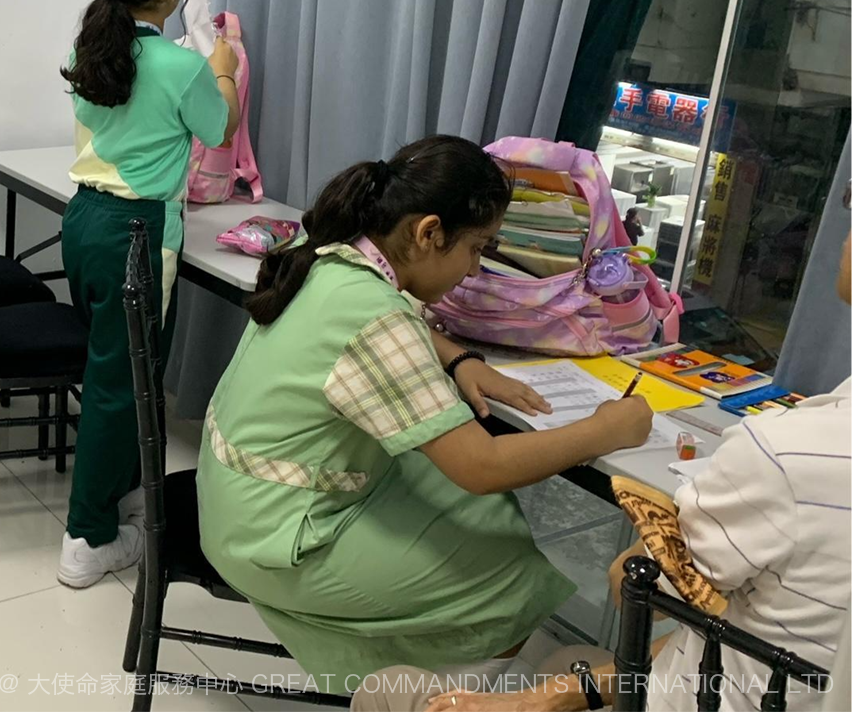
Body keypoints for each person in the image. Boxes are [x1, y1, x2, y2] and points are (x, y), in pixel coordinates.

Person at [361, 190, 852, 712]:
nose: (476, 269)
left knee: (390, 689)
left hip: (690, 692)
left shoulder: (786, 453)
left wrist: (614, 450)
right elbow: (739, 642)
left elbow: (633, 590)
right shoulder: (799, 448)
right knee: (567, 659)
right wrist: (546, 699)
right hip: (724, 679)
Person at [196, 135, 657, 683]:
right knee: (508, 578)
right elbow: (482, 467)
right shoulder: (374, 315)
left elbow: (378, 328)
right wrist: (604, 430)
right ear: (428, 233)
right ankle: (445, 694)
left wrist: (458, 358)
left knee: (483, 514)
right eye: (476, 248)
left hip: (236, 499)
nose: (473, 269)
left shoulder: (325, 249)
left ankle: (435, 668)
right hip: (275, 539)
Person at [54, 0, 242, 588]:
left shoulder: (90, 46)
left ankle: (124, 493)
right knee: (119, 386)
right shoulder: (179, 66)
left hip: (84, 222)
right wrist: (221, 64)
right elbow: (220, 128)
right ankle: (86, 540)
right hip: (137, 236)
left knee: (117, 373)